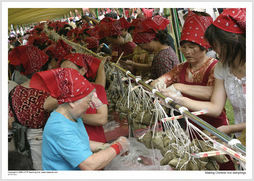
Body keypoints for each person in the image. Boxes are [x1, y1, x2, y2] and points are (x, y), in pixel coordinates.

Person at [164, 8, 246, 139]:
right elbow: (215, 107)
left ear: (233, 41)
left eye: (216, 45)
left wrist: (231, 128)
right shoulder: (222, 67)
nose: (213, 50)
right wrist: (178, 99)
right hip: (241, 137)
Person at [29, 68, 130, 170]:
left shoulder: (73, 117)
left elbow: (82, 143)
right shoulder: (59, 128)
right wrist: (118, 146)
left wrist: (106, 147)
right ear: (72, 102)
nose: (89, 106)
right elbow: (90, 164)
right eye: (88, 102)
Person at [8, 45, 58, 170]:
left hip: (24, 141)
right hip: (44, 141)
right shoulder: (46, 92)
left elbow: (10, 120)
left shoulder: (15, 91)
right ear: (43, 67)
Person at [59, 54, 108, 143]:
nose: (65, 75)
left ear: (82, 71)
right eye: (61, 71)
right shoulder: (59, 90)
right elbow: (46, 106)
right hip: (69, 143)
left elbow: (102, 119)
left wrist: (73, 115)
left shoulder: (96, 89)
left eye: (69, 71)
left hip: (95, 141)